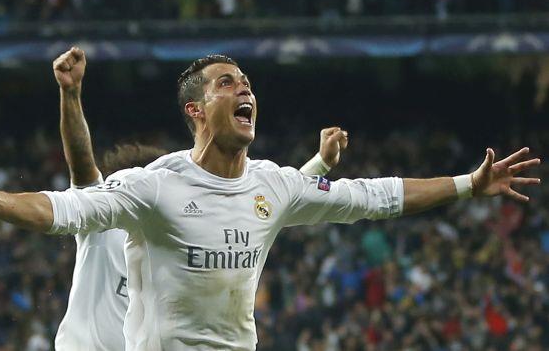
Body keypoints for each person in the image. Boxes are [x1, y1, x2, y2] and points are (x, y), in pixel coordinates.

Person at [0, 54, 541, 351]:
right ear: (196, 110)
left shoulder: (272, 185)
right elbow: (67, 205)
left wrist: (467, 183)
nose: (244, 88)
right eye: (226, 83)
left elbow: (373, 196)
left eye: (246, 82)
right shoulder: (152, 189)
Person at [51, 48, 348, 350]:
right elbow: (82, 167)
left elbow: (268, 203)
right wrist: (70, 95)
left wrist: (319, 165)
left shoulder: (171, 228)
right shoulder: (102, 226)